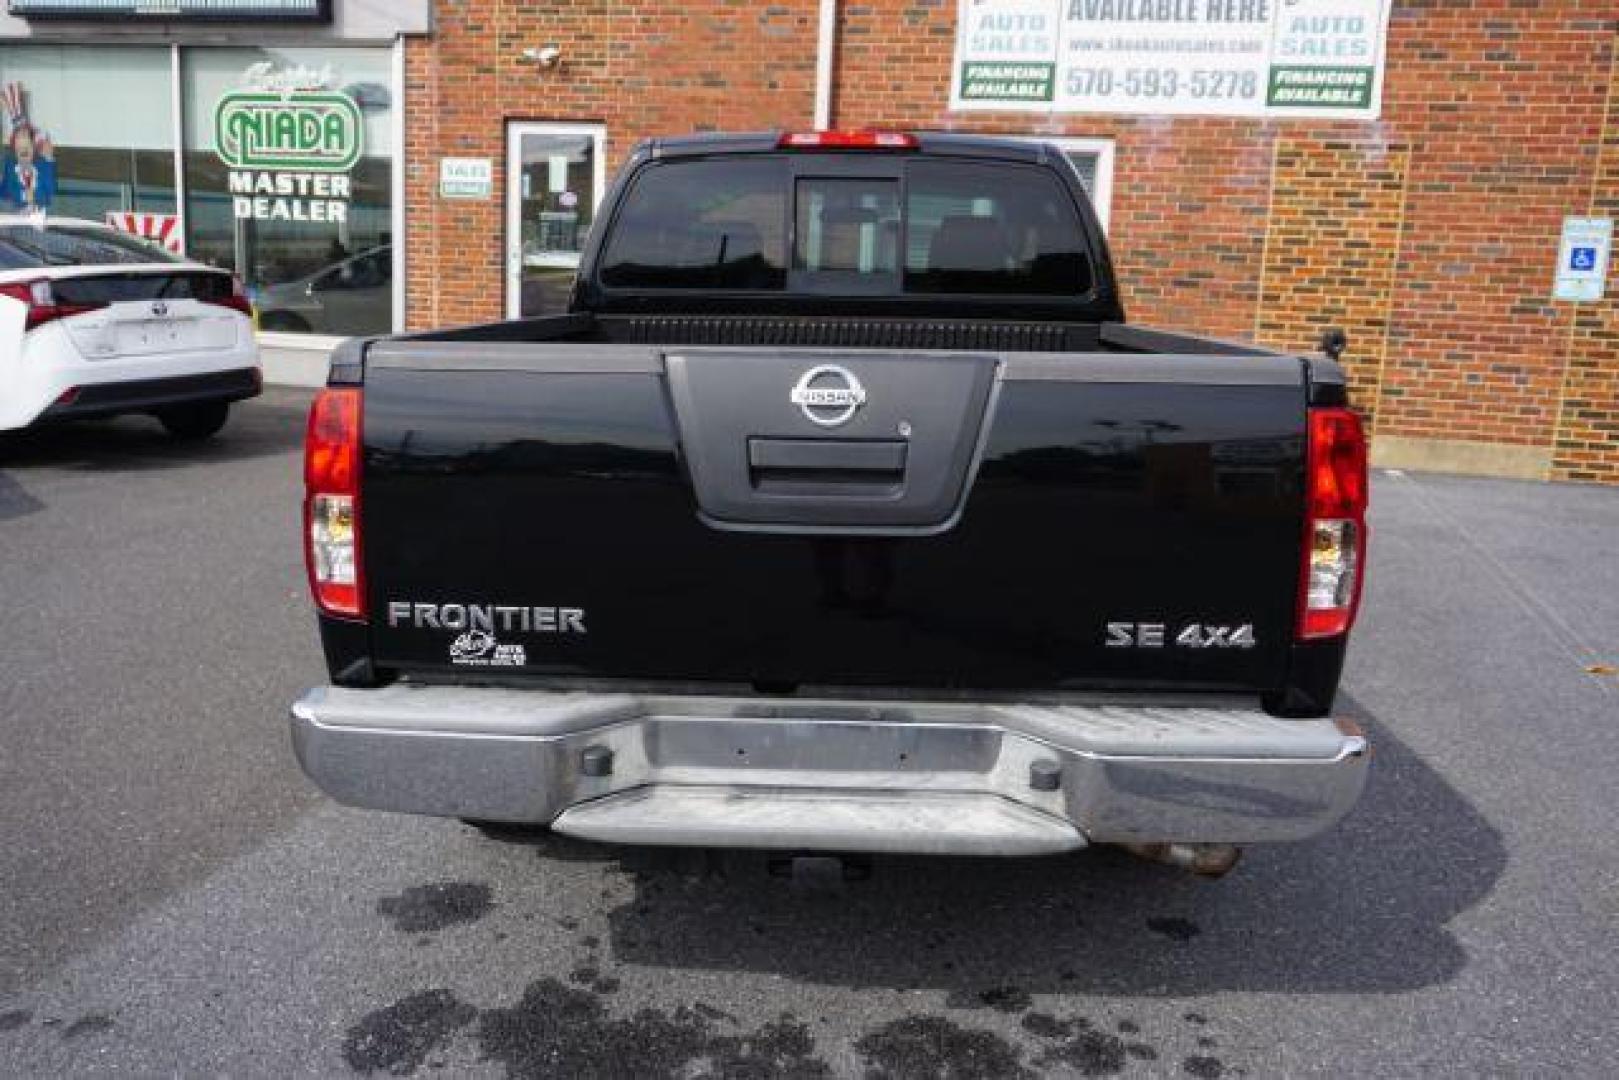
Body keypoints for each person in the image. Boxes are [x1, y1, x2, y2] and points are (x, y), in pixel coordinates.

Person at [0, 121, 56, 211]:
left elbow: (49, 193)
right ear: (14, 151)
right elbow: (7, 192)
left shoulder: (44, 166)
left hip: (39, 216)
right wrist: (24, 195)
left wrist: (49, 159)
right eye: (19, 149)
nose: (23, 152)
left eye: (26, 148)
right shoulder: (10, 168)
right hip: (15, 216)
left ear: (34, 148)